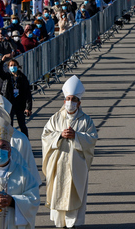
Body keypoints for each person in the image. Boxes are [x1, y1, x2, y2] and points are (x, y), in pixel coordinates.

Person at [42, 75, 98, 228]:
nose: (70, 102)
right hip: (59, 164)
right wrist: (59, 135)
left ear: (79, 103)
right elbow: (45, 136)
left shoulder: (86, 120)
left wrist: (77, 136)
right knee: (59, 192)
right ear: (64, 100)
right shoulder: (55, 119)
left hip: (76, 165)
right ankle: (60, 224)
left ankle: (74, 224)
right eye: (68, 99)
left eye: (73, 99)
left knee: (74, 193)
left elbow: (92, 138)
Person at [0, 57, 32, 138]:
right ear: (8, 67)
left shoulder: (22, 78)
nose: (13, 67)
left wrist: (28, 107)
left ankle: (26, 142)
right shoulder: (7, 77)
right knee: (9, 125)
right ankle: (9, 143)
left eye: (14, 65)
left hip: (20, 104)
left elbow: (27, 93)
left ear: (18, 66)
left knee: (22, 125)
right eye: (11, 65)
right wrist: (1, 61)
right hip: (9, 104)